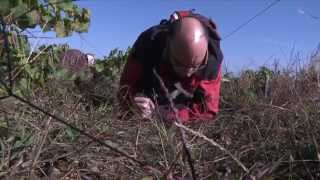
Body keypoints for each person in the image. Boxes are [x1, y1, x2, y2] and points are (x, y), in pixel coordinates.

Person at [118, 10, 223, 123]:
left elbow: (207, 111)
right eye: (180, 64)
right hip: (153, 88)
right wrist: (133, 103)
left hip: (184, 104)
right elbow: (124, 88)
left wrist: (169, 114)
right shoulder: (148, 44)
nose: (188, 72)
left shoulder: (212, 61)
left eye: (195, 66)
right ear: (168, 47)